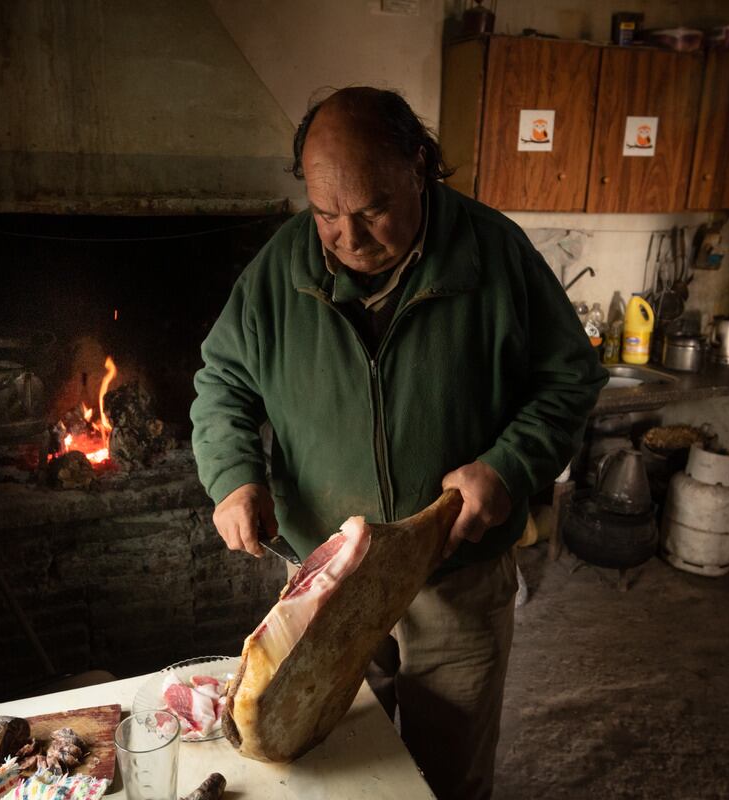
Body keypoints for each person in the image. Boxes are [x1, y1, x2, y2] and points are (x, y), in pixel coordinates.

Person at [190, 87, 606, 800]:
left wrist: (508, 467)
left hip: (455, 575)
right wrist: (232, 473)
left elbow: (570, 376)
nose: (347, 237)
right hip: (326, 585)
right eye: (326, 214)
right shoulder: (279, 269)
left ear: (419, 166)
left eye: (372, 210)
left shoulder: (494, 253)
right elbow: (223, 379)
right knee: (346, 767)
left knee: (448, 771)